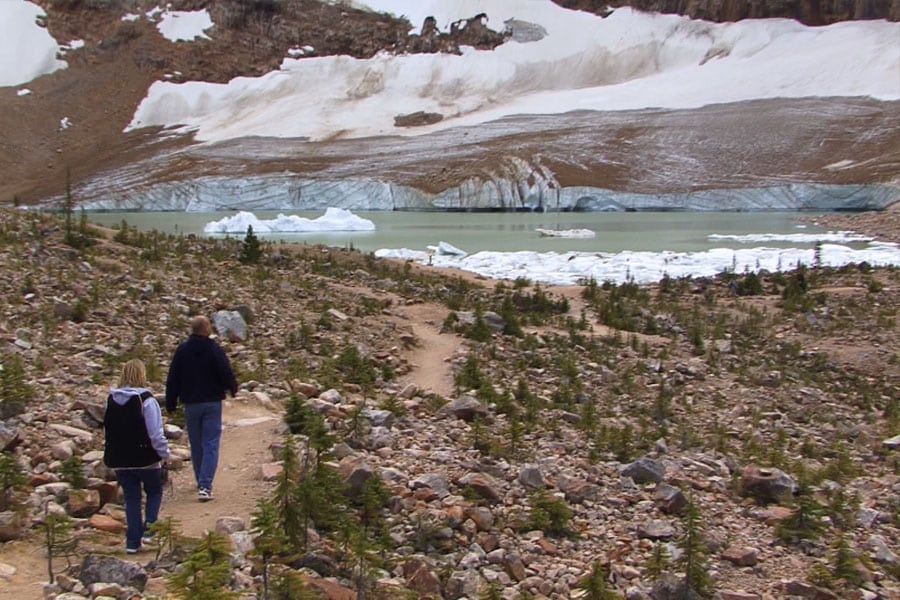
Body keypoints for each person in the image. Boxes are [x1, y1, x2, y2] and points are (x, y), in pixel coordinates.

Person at [165, 315, 238, 502]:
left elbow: (174, 376)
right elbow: (224, 370)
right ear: (205, 328)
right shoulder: (213, 349)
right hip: (212, 402)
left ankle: (200, 480)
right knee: (211, 443)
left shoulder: (182, 350)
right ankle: (205, 485)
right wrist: (232, 387)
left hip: (191, 403)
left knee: (196, 444)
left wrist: (170, 401)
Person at [103, 359, 170, 554]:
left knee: (131, 498)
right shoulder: (147, 400)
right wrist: (165, 453)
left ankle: (132, 542)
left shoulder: (111, 399)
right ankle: (149, 529)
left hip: (120, 458)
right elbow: (155, 433)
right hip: (145, 458)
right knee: (154, 491)